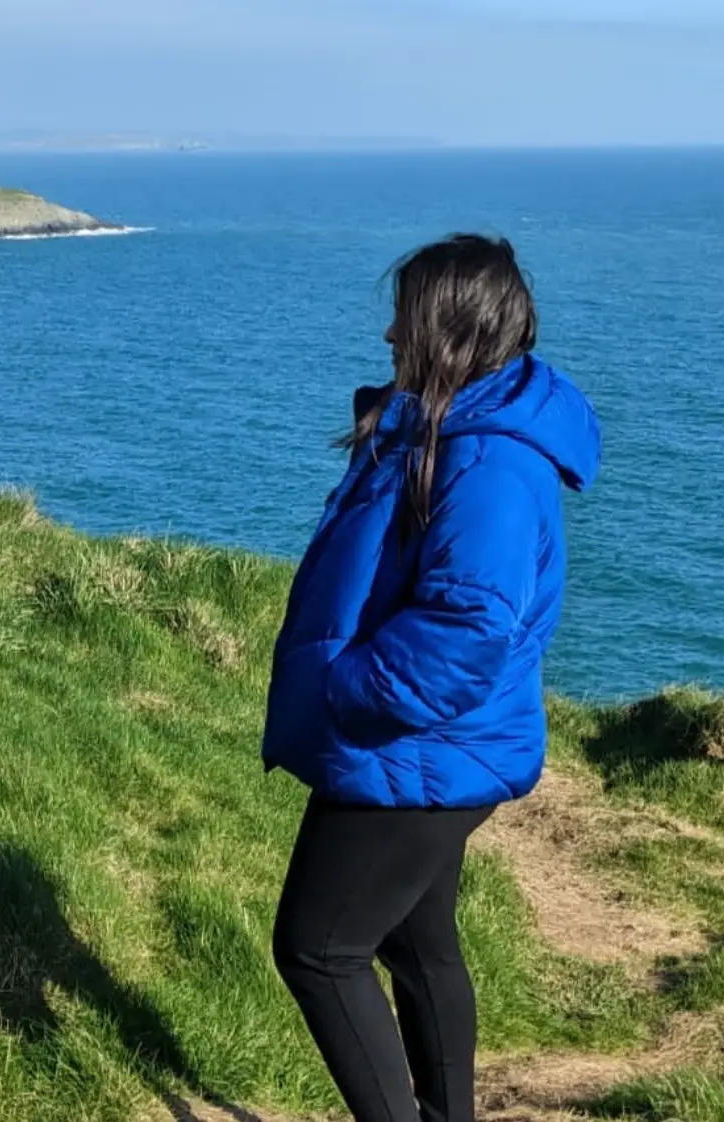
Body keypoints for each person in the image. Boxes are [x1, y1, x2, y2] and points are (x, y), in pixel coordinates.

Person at [262, 235, 602, 1122]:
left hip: (414, 749)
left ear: (448, 329)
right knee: (416, 944)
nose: (386, 334)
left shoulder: (489, 464)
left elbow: (469, 624)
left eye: (404, 316)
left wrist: (346, 688)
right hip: (437, 749)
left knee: (318, 950)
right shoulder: (454, 428)